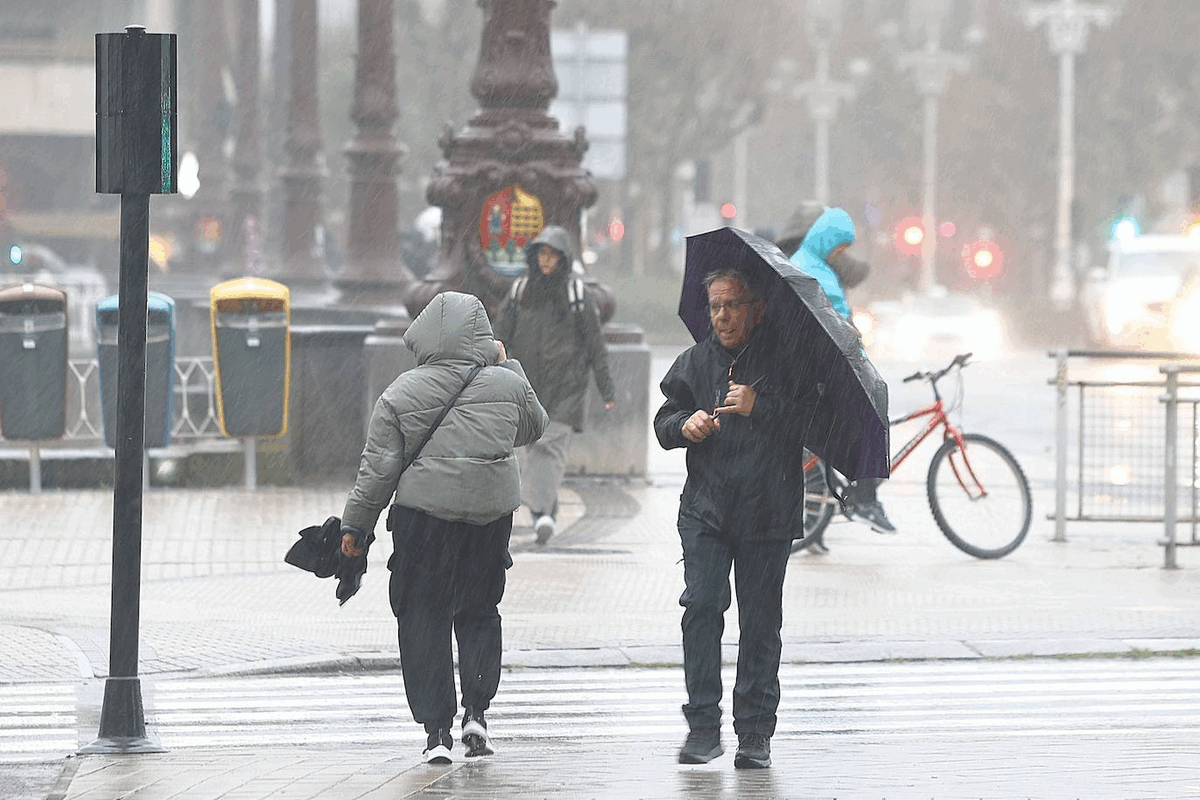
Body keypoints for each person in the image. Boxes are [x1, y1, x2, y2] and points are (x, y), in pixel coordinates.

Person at [338, 291, 548, 764]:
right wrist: (507, 364)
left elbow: (378, 472)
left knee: (422, 618)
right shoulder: (506, 386)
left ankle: (436, 732)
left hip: (423, 523)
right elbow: (534, 426)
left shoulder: (400, 393)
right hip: (488, 521)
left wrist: (356, 527)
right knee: (478, 610)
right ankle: (476, 711)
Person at [654, 268, 824, 769]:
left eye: (733, 305)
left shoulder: (788, 361)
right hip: (707, 511)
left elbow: (816, 423)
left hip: (768, 511)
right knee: (702, 609)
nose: (723, 316)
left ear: (758, 309)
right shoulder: (695, 362)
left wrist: (759, 405)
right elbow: (664, 422)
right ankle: (703, 726)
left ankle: (754, 733)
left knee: (760, 623)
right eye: (715, 307)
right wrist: (684, 425)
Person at [777, 202, 896, 535]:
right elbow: (831, 322)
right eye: (839, 247)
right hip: (824, 368)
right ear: (827, 243)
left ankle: (835, 506)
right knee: (875, 412)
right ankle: (866, 501)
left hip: (825, 364)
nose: (842, 253)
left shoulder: (813, 263)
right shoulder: (812, 269)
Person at [492, 225, 616, 544]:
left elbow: (594, 343)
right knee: (540, 453)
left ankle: (536, 510)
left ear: (563, 259)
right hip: (528, 386)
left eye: (553, 256)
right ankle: (546, 514)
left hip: (568, 389)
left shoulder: (577, 295)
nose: (547, 261)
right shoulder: (521, 291)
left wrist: (606, 388)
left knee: (548, 447)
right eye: (542, 255)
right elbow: (500, 333)